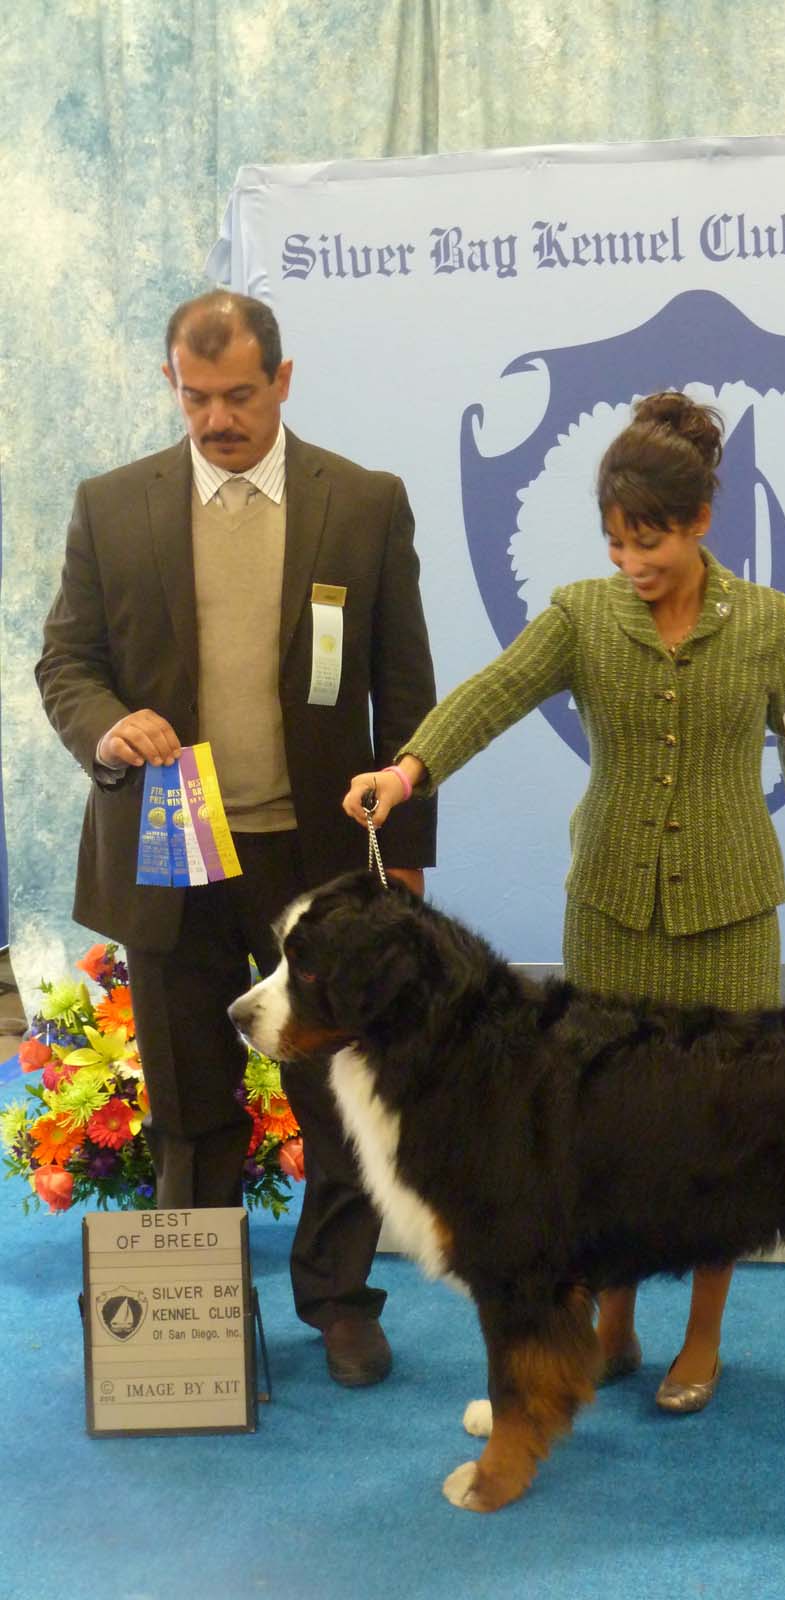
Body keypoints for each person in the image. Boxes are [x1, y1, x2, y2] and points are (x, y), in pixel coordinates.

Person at [341, 390, 785, 1412]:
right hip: (612, 910)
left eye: (652, 539)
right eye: (618, 542)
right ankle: (613, 1328)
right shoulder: (584, 614)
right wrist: (406, 771)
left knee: (730, 1135)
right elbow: (492, 693)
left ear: (702, 521)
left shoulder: (771, 626)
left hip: (731, 918)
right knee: (606, 1135)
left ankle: (702, 1339)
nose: (634, 562)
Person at [37, 291, 437, 1387]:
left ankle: (340, 1303)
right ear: (172, 383)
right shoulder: (111, 507)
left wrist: (404, 863)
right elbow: (65, 665)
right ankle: (195, 1323)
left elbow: (406, 693)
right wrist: (109, 729)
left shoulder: (363, 504)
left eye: (240, 396)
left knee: (342, 1105)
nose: (216, 419)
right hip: (170, 862)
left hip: (320, 868)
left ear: (285, 380)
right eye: (195, 395)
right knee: (191, 1106)